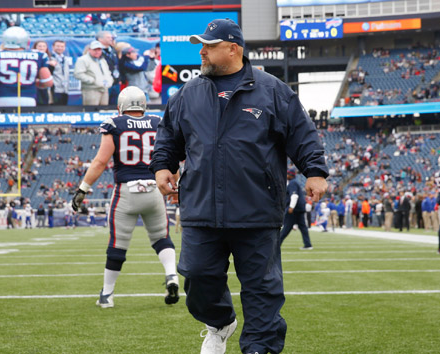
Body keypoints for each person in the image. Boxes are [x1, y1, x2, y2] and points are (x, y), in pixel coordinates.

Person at [150, 18, 328, 354]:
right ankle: (219, 322)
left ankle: (259, 348)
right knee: (199, 280)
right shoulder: (187, 94)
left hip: (256, 209)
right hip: (201, 209)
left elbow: (302, 135)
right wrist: (162, 167)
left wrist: (315, 171)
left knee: (262, 291)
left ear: (233, 49)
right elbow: (168, 138)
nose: (201, 52)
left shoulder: (273, 90)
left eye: (209, 46)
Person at [71, 86, 179, 308]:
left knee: (117, 245)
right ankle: (172, 277)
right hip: (154, 189)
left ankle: (107, 295)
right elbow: (172, 156)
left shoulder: (115, 123)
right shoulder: (157, 122)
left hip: (126, 191)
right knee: (161, 237)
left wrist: (83, 188)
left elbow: (101, 162)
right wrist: (174, 186)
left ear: (121, 106)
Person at [279, 168, 313, 250]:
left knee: (286, 227)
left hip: (294, 209)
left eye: (287, 174)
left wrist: (291, 207)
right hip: (300, 208)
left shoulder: (292, 183)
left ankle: (276, 244)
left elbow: (294, 196)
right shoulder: (295, 182)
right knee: (303, 227)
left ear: (291, 175)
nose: (286, 175)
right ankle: (308, 244)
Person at [74, 40, 113, 106]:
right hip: (91, 90)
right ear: (89, 50)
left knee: (104, 111)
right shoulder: (83, 60)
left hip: (104, 89)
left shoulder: (102, 60)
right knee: (91, 111)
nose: (97, 51)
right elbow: (78, 74)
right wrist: (92, 80)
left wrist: (110, 80)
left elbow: (108, 72)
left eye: (99, 49)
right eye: (95, 49)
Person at [96, 31, 120, 104]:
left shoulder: (113, 50)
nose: (111, 39)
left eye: (111, 37)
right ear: (100, 39)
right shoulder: (95, 51)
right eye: (108, 37)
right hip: (103, 83)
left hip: (115, 82)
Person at [51, 40, 71, 105]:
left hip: (65, 89)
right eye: (58, 46)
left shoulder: (65, 59)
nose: (60, 48)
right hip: (55, 89)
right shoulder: (49, 58)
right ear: (53, 47)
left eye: (62, 46)